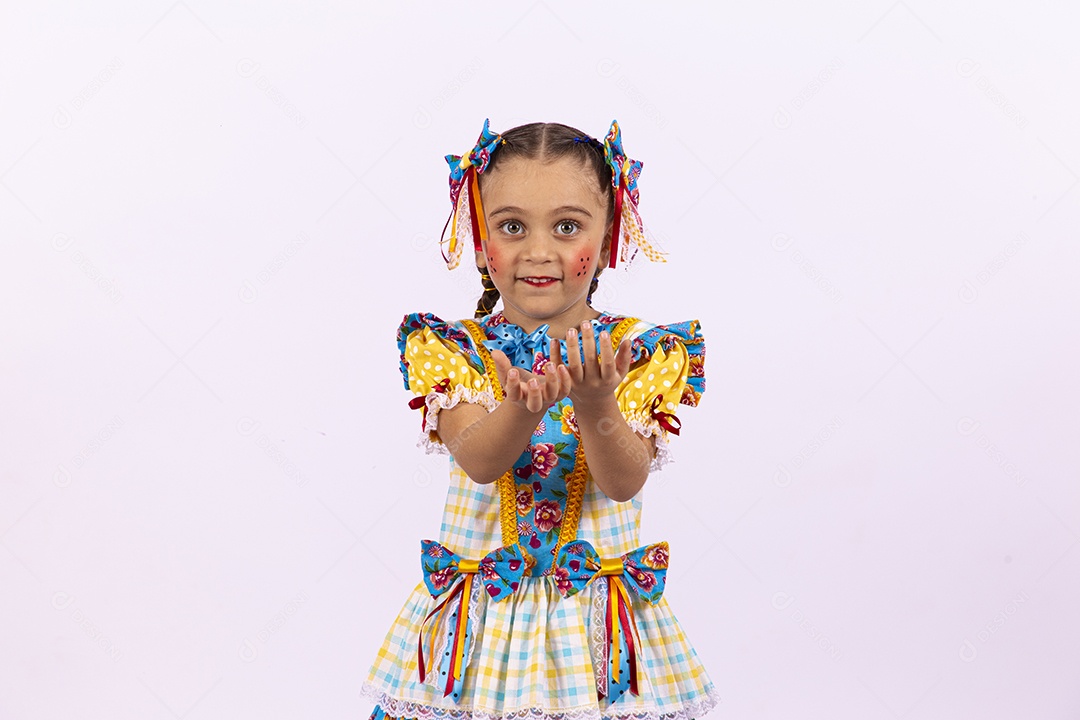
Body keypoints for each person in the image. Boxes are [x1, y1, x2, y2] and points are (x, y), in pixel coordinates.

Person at [361, 118, 719, 720]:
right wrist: (522, 409)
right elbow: (479, 461)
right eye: (511, 226)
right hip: (479, 632)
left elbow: (623, 481)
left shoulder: (640, 353)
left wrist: (596, 402)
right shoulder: (455, 349)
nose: (538, 250)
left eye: (567, 226)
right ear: (481, 240)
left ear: (607, 240)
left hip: (593, 638)